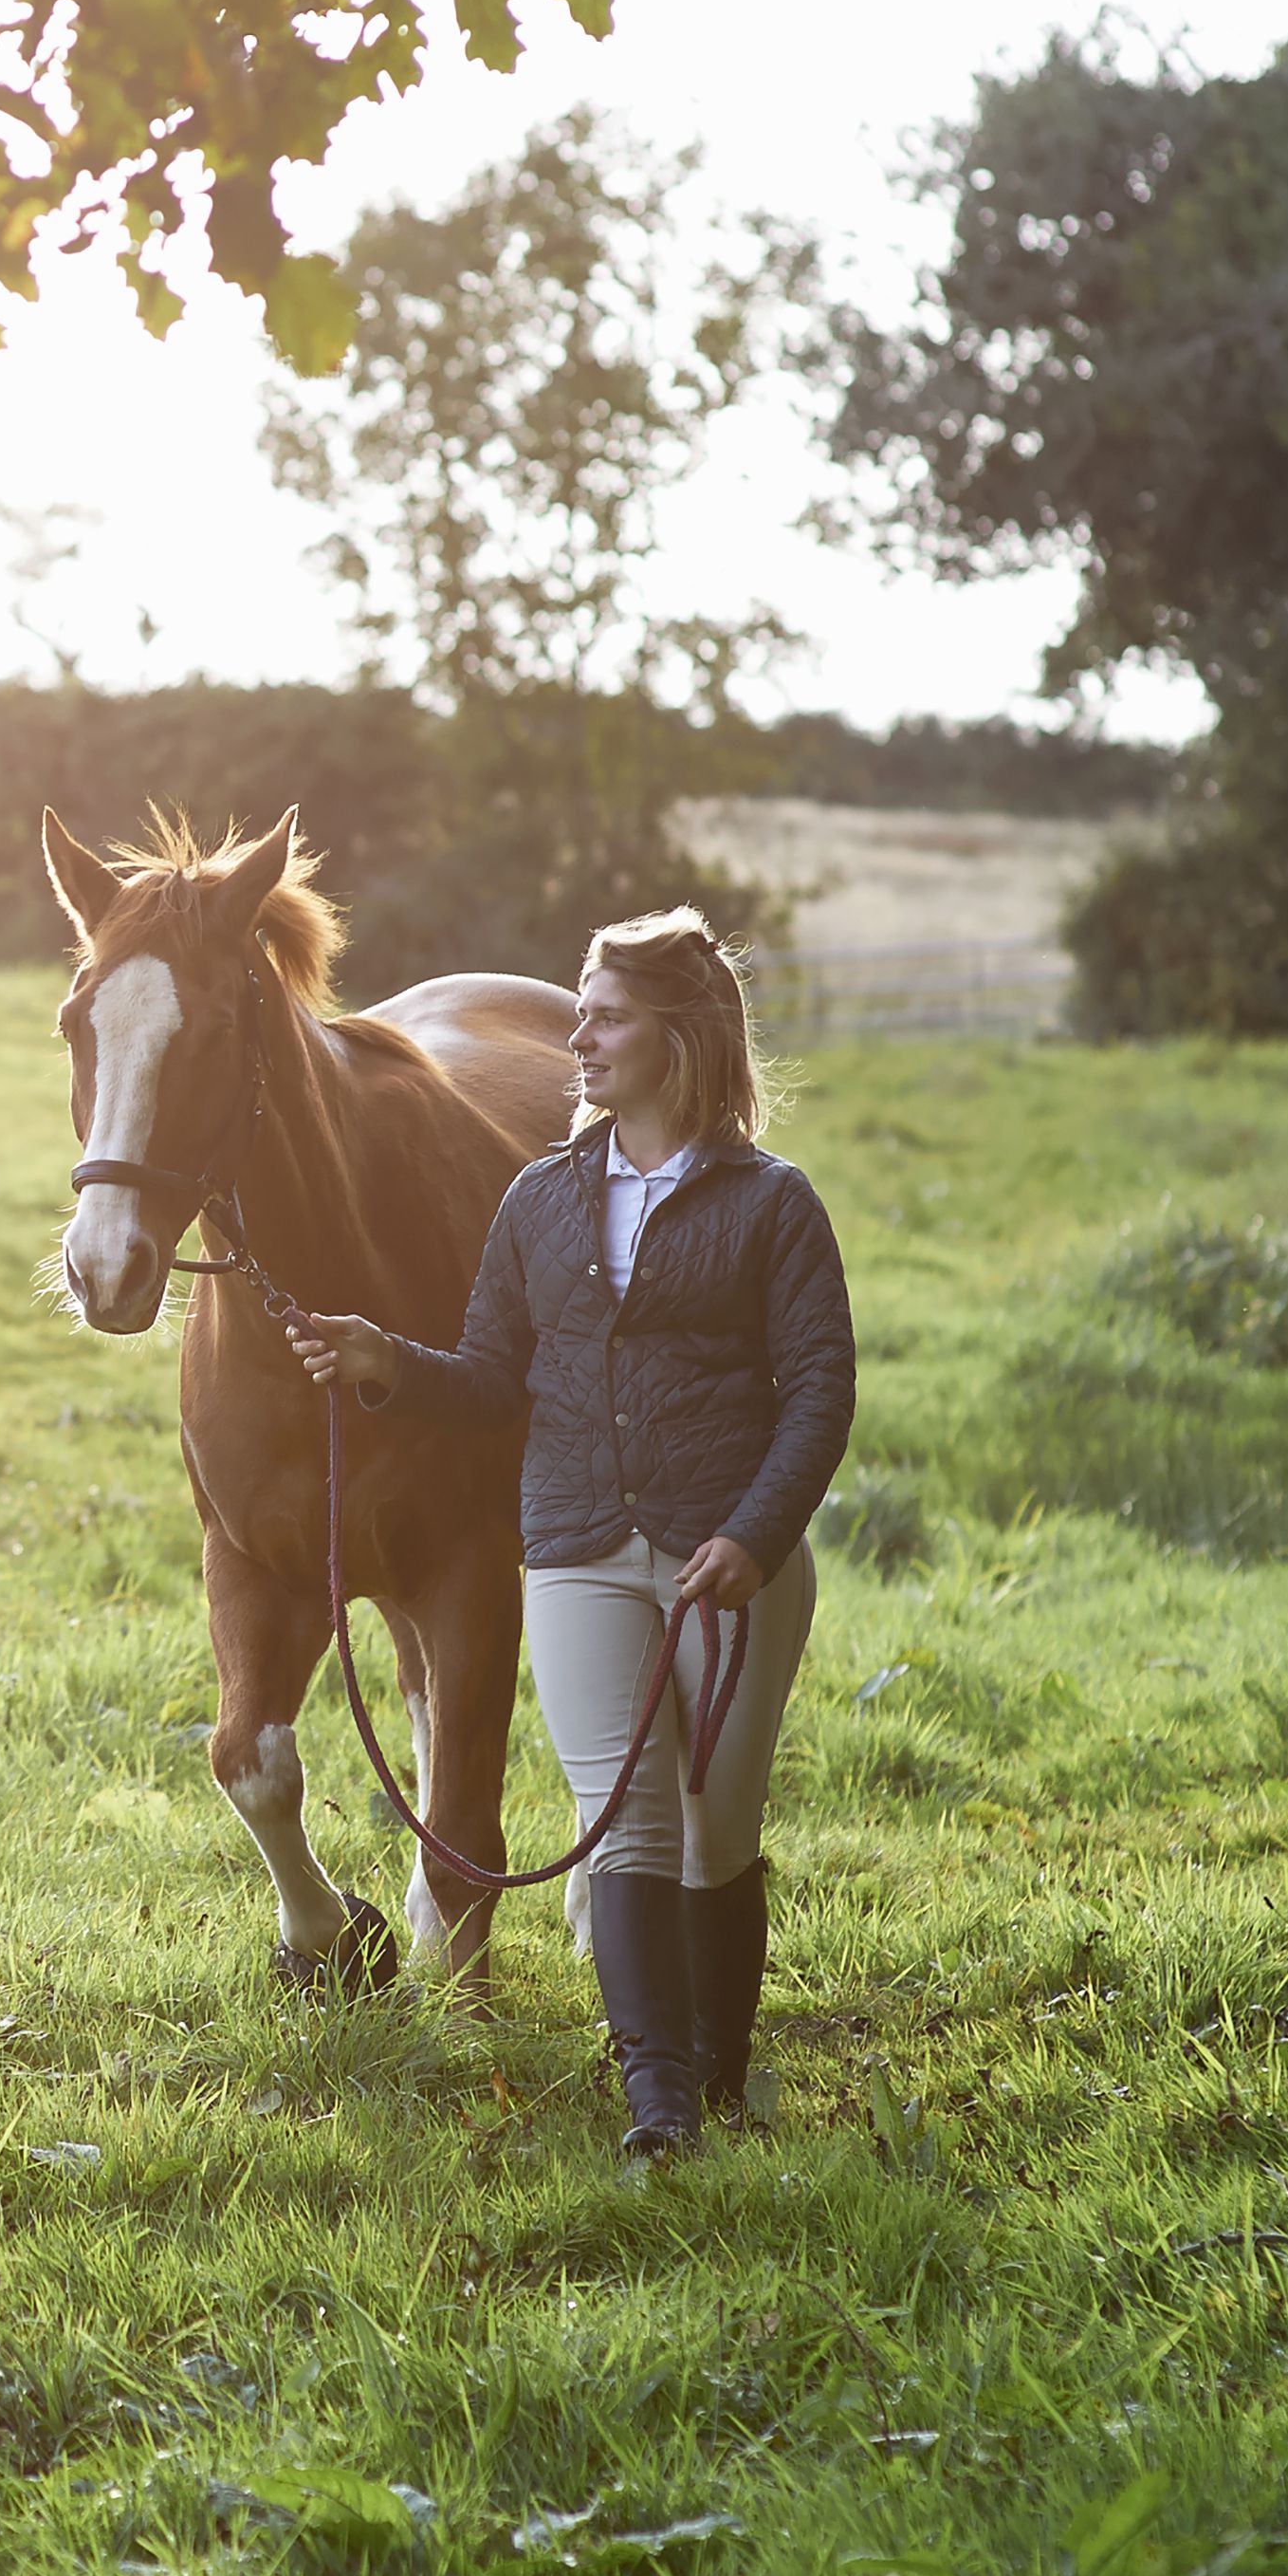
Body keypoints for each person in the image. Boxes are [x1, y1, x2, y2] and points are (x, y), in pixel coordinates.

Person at [282, 906, 855, 2160]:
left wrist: (755, 1539)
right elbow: (493, 1379)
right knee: (627, 1821)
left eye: (606, 1016)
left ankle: (719, 2066)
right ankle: (657, 2103)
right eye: (579, 1011)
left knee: (716, 1830)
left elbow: (820, 1392)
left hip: (730, 1563)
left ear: (682, 1036)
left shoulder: (774, 1205)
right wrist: (387, 1363)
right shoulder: (542, 1198)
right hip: (582, 1555)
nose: (577, 1036)